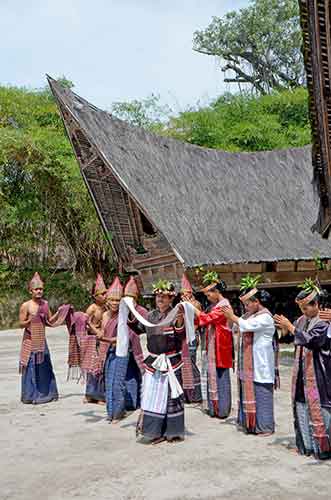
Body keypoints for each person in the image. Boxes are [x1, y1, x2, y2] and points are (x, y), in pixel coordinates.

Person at [275, 286, 331, 459]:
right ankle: (306, 446)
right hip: (301, 372)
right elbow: (294, 335)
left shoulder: (324, 322)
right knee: (301, 405)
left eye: (306, 307)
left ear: (317, 305)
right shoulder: (301, 320)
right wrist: (285, 329)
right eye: (301, 308)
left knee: (319, 409)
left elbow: (311, 340)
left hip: (318, 374)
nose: (303, 311)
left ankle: (322, 449)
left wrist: (290, 327)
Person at [133, 280, 186, 444]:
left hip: (171, 361)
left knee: (171, 397)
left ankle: (172, 432)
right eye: (158, 296)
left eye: (164, 297)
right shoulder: (151, 316)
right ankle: (153, 431)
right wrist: (129, 311)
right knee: (152, 396)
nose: (160, 300)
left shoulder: (176, 315)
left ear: (171, 299)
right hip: (154, 361)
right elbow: (138, 329)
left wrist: (179, 320)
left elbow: (181, 335)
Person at [221, 286, 277, 436]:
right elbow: (235, 328)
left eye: (247, 304)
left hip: (260, 363)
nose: (245, 307)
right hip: (250, 363)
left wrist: (232, 316)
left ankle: (265, 427)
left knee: (262, 394)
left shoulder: (265, 317)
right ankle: (250, 424)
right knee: (250, 392)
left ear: (257, 302)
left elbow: (245, 326)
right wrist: (230, 318)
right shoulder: (249, 315)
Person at [97, 276, 145, 423]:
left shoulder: (124, 315)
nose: (114, 303)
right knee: (109, 381)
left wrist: (104, 339)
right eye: (111, 300)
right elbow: (102, 332)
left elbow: (121, 339)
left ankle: (118, 413)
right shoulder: (104, 315)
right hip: (108, 352)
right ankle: (111, 412)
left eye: (118, 300)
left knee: (117, 382)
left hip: (122, 352)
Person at [191, 274, 233, 418]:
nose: (207, 296)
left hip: (221, 346)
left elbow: (208, 319)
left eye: (209, 293)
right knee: (213, 375)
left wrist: (194, 308)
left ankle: (222, 409)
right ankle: (215, 407)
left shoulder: (224, 305)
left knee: (221, 377)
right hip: (214, 345)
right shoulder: (216, 305)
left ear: (216, 292)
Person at [19, 273, 60, 404]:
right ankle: (30, 395)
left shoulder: (45, 304)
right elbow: (21, 324)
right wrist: (31, 319)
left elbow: (50, 321)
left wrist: (61, 312)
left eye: (41, 289)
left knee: (44, 365)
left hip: (42, 339)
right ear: (30, 291)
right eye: (36, 289)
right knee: (31, 366)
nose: (39, 291)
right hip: (30, 340)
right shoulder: (26, 305)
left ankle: (47, 394)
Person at [84, 273, 107, 404]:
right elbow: (86, 322)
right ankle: (90, 394)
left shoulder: (106, 307)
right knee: (92, 367)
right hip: (93, 340)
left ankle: (98, 395)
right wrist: (96, 331)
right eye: (101, 294)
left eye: (105, 293)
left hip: (103, 339)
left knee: (101, 367)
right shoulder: (92, 308)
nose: (104, 296)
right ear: (95, 296)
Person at [180, 274, 202, 404]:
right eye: (182, 293)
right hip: (183, 337)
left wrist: (191, 333)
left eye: (187, 293)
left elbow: (198, 321)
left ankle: (196, 395)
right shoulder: (181, 304)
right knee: (184, 364)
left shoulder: (196, 304)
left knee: (191, 364)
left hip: (192, 336)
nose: (184, 295)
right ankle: (187, 394)